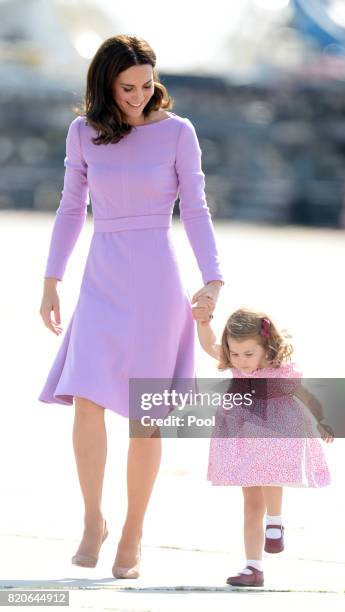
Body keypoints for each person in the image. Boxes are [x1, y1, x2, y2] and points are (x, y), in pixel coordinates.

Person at [38, 34, 224, 579]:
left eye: (146, 85)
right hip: (101, 279)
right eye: (127, 87)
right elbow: (72, 208)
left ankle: (134, 530)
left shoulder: (178, 133)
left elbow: (196, 209)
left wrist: (213, 279)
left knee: (147, 416)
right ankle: (94, 519)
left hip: (158, 285)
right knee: (88, 400)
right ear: (105, 85)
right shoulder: (83, 133)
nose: (140, 95)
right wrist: (52, 280)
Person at [192, 305, 334, 587]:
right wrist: (204, 321)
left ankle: (275, 520)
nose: (241, 361)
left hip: (275, 428)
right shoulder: (234, 362)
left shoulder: (278, 370)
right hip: (242, 432)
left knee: (271, 472)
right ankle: (253, 567)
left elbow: (304, 394)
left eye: (248, 354)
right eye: (235, 354)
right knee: (250, 501)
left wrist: (321, 421)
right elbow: (209, 344)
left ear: (266, 347)